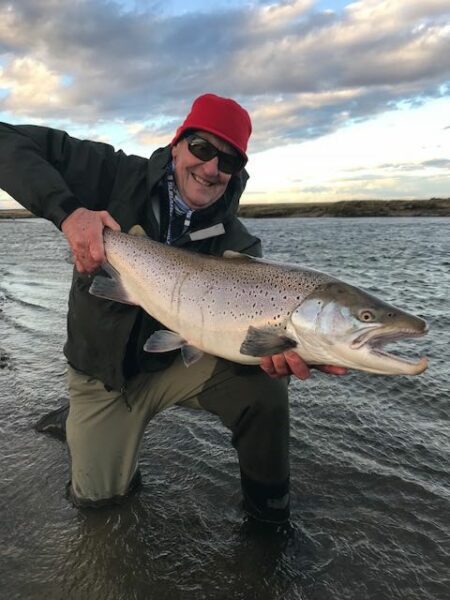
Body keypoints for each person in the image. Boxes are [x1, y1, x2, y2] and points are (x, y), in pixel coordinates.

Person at [0, 93, 345, 524]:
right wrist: (68, 213)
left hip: (173, 367)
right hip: (101, 374)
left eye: (229, 161)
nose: (211, 168)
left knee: (266, 389)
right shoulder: (113, 174)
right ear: (177, 143)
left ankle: (269, 517)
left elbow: (257, 338)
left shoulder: (240, 247)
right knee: (99, 505)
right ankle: (81, 423)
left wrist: (271, 357)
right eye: (202, 148)